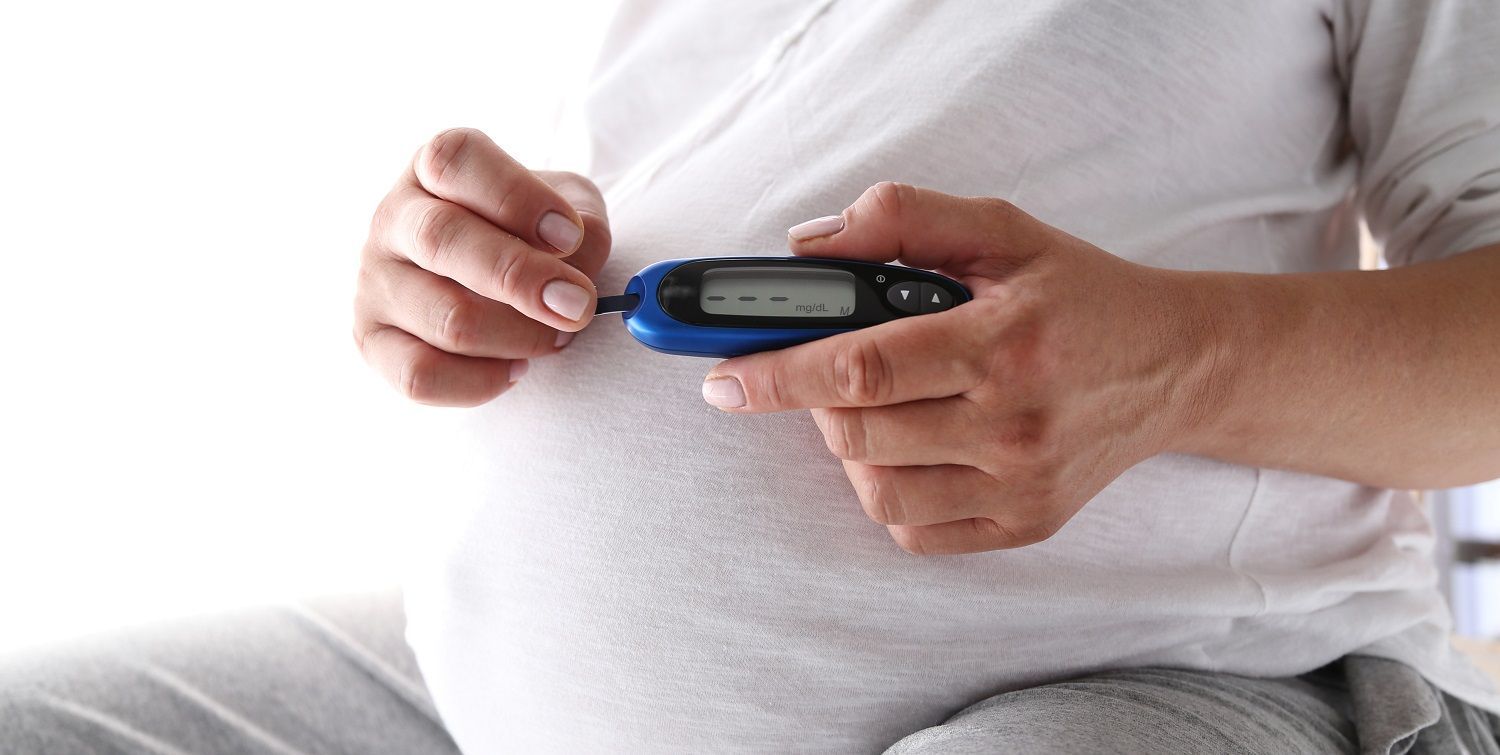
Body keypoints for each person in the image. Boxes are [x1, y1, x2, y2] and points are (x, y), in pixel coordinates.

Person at [4, 1, 1500, 752]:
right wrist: (461, 265)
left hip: (1179, 684)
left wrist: (1178, 363)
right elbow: (665, 201)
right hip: (488, 687)